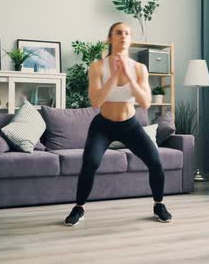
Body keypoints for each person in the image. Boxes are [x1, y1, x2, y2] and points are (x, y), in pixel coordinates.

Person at [64, 22, 172, 226]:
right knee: (90, 163)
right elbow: (96, 101)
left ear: (130, 39)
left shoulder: (139, 68)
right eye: (118, 33)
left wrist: (129, 77)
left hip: (130, 125)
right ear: (110, 38)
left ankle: (159, 205)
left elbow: (145, 103)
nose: (123, 36)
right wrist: (114, 74)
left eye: (127, 33)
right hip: (103, 126)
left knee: (156, 162)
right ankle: (79, 208)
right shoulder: (98, 67)